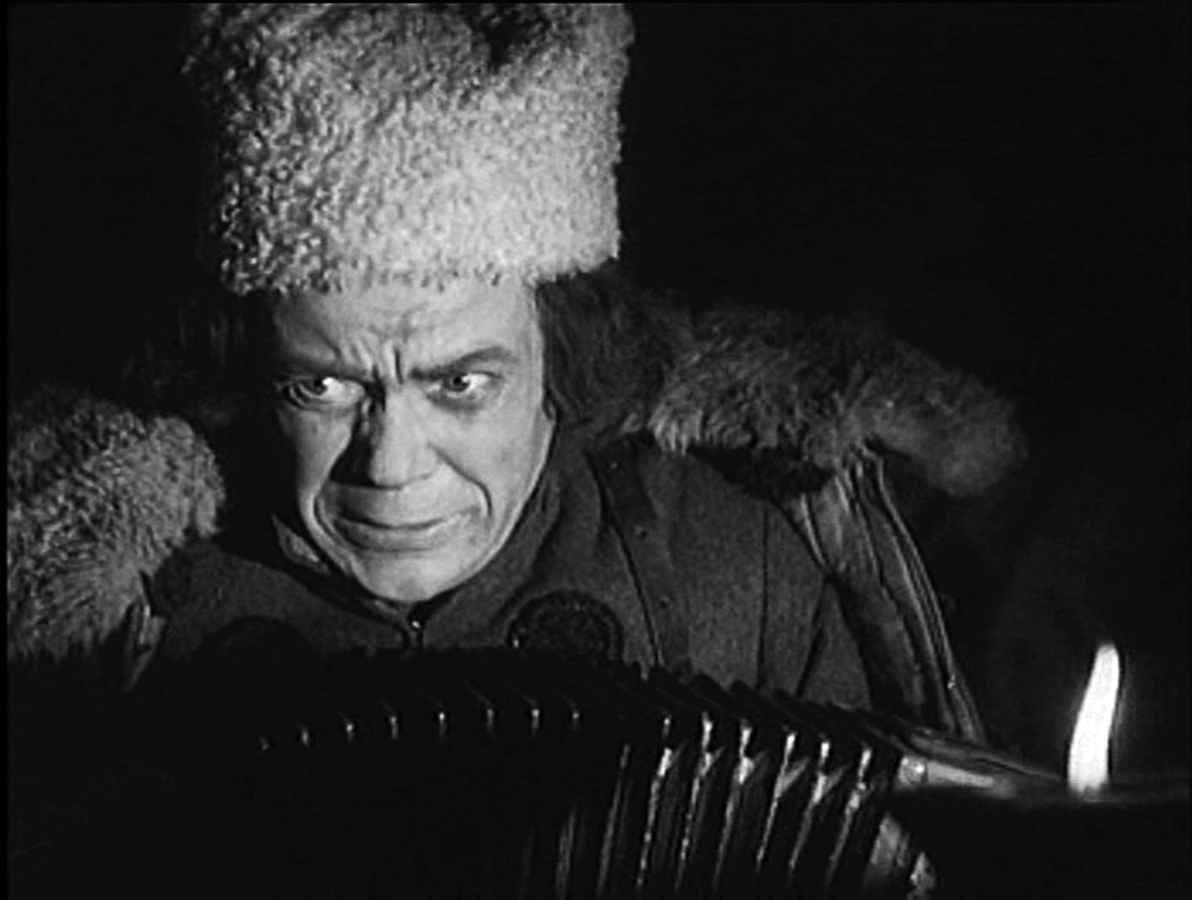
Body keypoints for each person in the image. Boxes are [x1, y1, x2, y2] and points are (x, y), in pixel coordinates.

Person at [8, 5, 1023, 890]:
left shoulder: (740, 570)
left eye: (461, 384)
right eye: (323, 386)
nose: (390, 465)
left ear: (562, 365)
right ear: (244, 372)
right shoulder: (117, 622)